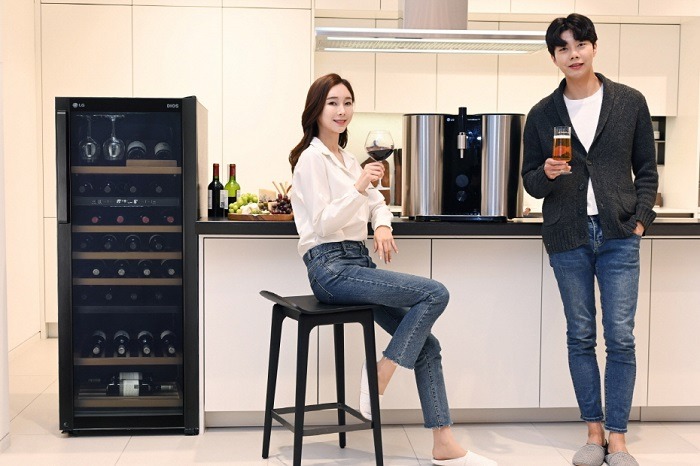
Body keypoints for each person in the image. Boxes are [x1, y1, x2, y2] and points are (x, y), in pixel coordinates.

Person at [289, 73, 497, 466]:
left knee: (428, 346)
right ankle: (382, 370)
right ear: (316, 109)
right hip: (329, 268)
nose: (341, 111)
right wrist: (359, 187)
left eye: (347, 102)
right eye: (332, 103)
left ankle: (443, 443)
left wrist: (382, 224)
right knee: (434, 293)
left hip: (357, 262)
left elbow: (376, 204)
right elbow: (323, 224)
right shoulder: (311, 160)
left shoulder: (348, 159)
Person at [522, 14, 658, 466]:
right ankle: (593, 432)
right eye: (563, 47)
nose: (573, 53)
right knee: (580, 335)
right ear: (554, 57)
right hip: (568, 235)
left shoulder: (629, 102)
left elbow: (647, 171)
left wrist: (639, 222)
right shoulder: (542, 114)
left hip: (620, 235)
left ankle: (618, 437)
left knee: (620, 337)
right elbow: (530, 182)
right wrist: (545, 172)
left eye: (580, 44)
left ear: (594, 47)